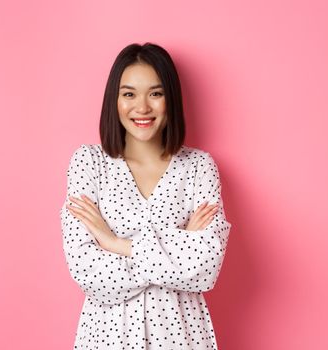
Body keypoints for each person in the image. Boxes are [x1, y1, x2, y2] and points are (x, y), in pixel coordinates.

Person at [59, 42, 232, 349]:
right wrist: (177, 250)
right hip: (108, 337)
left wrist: (116, 244)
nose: (142, 107)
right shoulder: (89, 163)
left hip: (181, 336)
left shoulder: (198, 167)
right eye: (129, 94)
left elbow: (206, 269)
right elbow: (87, 269)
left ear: (171, 99)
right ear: (114, 100)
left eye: (155, 93)